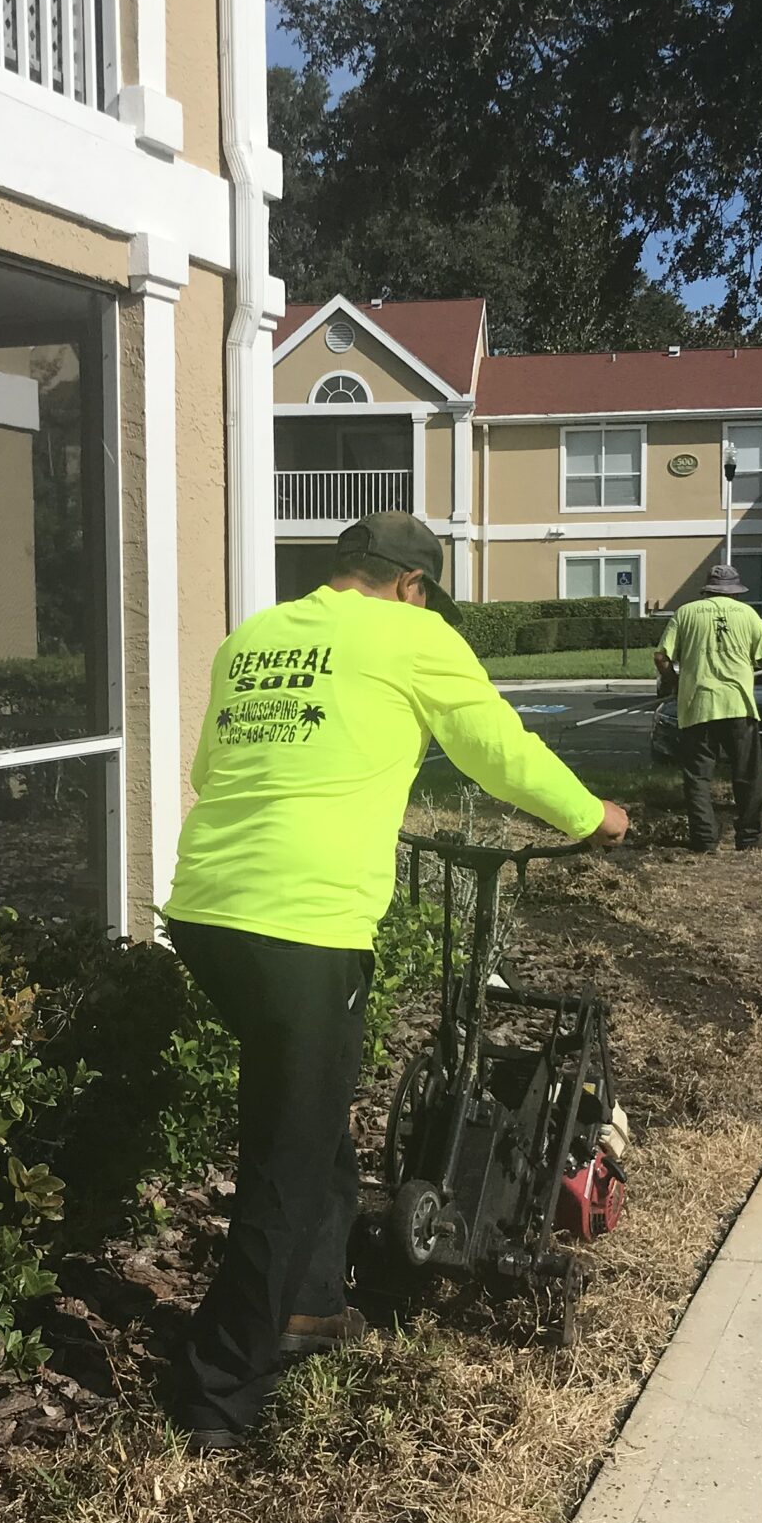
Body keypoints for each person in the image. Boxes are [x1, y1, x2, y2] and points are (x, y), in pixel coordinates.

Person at [160, 512, 629, 1450]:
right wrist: (592, 816)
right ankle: (218, 1393)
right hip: (305, 925)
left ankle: (311, 1302)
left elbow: (213, 769)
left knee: (309, 1110)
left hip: (207, 914)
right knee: (284, 1162)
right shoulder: (416, 636)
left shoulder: (255, 636)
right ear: (413, 585)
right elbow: (498, 751)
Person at [656, 561, 762, 852]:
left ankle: (704, 839)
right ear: (735, 592)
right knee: (748, 774)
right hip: (737, 706)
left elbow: (661, 657)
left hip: (697, 705)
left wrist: (675, 683)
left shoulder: (685, 613)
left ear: (707, 590)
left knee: (698, 777)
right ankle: (749, 836)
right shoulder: (747, 614)